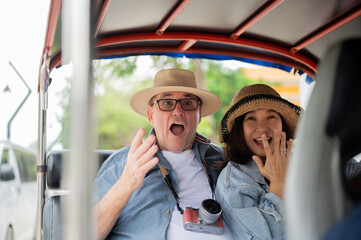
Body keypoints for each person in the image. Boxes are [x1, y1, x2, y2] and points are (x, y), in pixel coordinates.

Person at [94, 68, 234, 239]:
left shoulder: (224, 161)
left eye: (188, 103)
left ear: (199, 115)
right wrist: (125, 185)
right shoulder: (123, 163)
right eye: (167, 103)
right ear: (151, 115)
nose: (178, 111)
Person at [215, 84, 302, 240]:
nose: (262, 128)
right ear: (239, 129)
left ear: (282, 124)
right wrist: (278, 182)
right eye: (251, 118)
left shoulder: (302, 159)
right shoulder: (233, 180)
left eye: (271, 117)